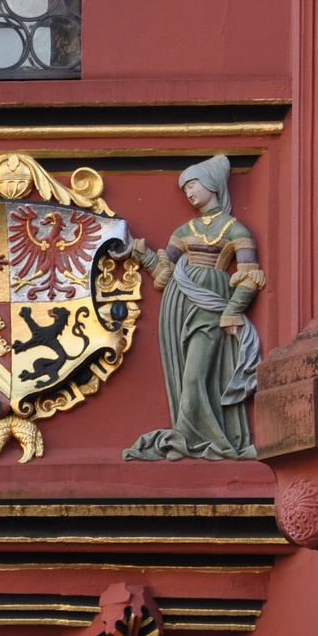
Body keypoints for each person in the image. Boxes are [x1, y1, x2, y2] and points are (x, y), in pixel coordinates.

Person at [123, 155, 266, 461]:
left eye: (193, 184)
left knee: (194, 376)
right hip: (177, 305)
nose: (189, 192)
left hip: (210, 301)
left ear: (212, 185)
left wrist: (233, 310)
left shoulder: (236, 230)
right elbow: (162, 277)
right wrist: (140, 251)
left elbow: (250, 276)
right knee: (184, 373)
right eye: (185, 187)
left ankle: (192, 438)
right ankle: (191, 435)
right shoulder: (184, 230)